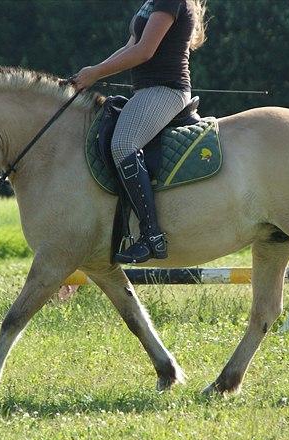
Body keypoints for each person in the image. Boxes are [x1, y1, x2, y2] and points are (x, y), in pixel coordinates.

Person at [67, 0, 207, 264]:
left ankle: (151, 236)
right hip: (146, 91)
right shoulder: (150, 3)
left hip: (166, 90)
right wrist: (90, 73)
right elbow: (130, 46)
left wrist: (95, 73)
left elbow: (145, 51)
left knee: (123, 144)